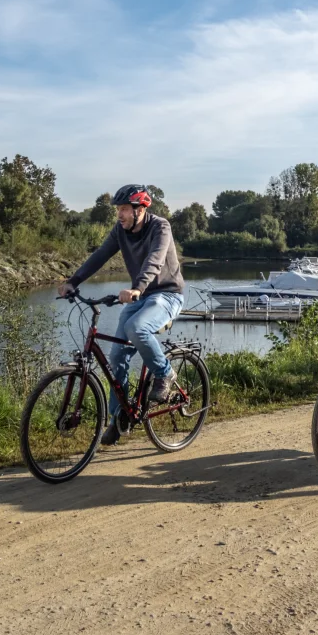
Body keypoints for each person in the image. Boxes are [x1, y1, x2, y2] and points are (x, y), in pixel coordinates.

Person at [58, 184, 184, 446]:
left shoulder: (160, 227)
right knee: (116, 357)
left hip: (166, 294)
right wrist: (74, 281)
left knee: (137, 328)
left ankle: (165, 373)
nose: (120, 214)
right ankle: (119, 418)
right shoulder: (120, 231)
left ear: (141, 209)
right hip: (141, 296)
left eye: (125, 209)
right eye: (119, 210)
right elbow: (100, 255)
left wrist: (137, 287)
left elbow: (155, 260)